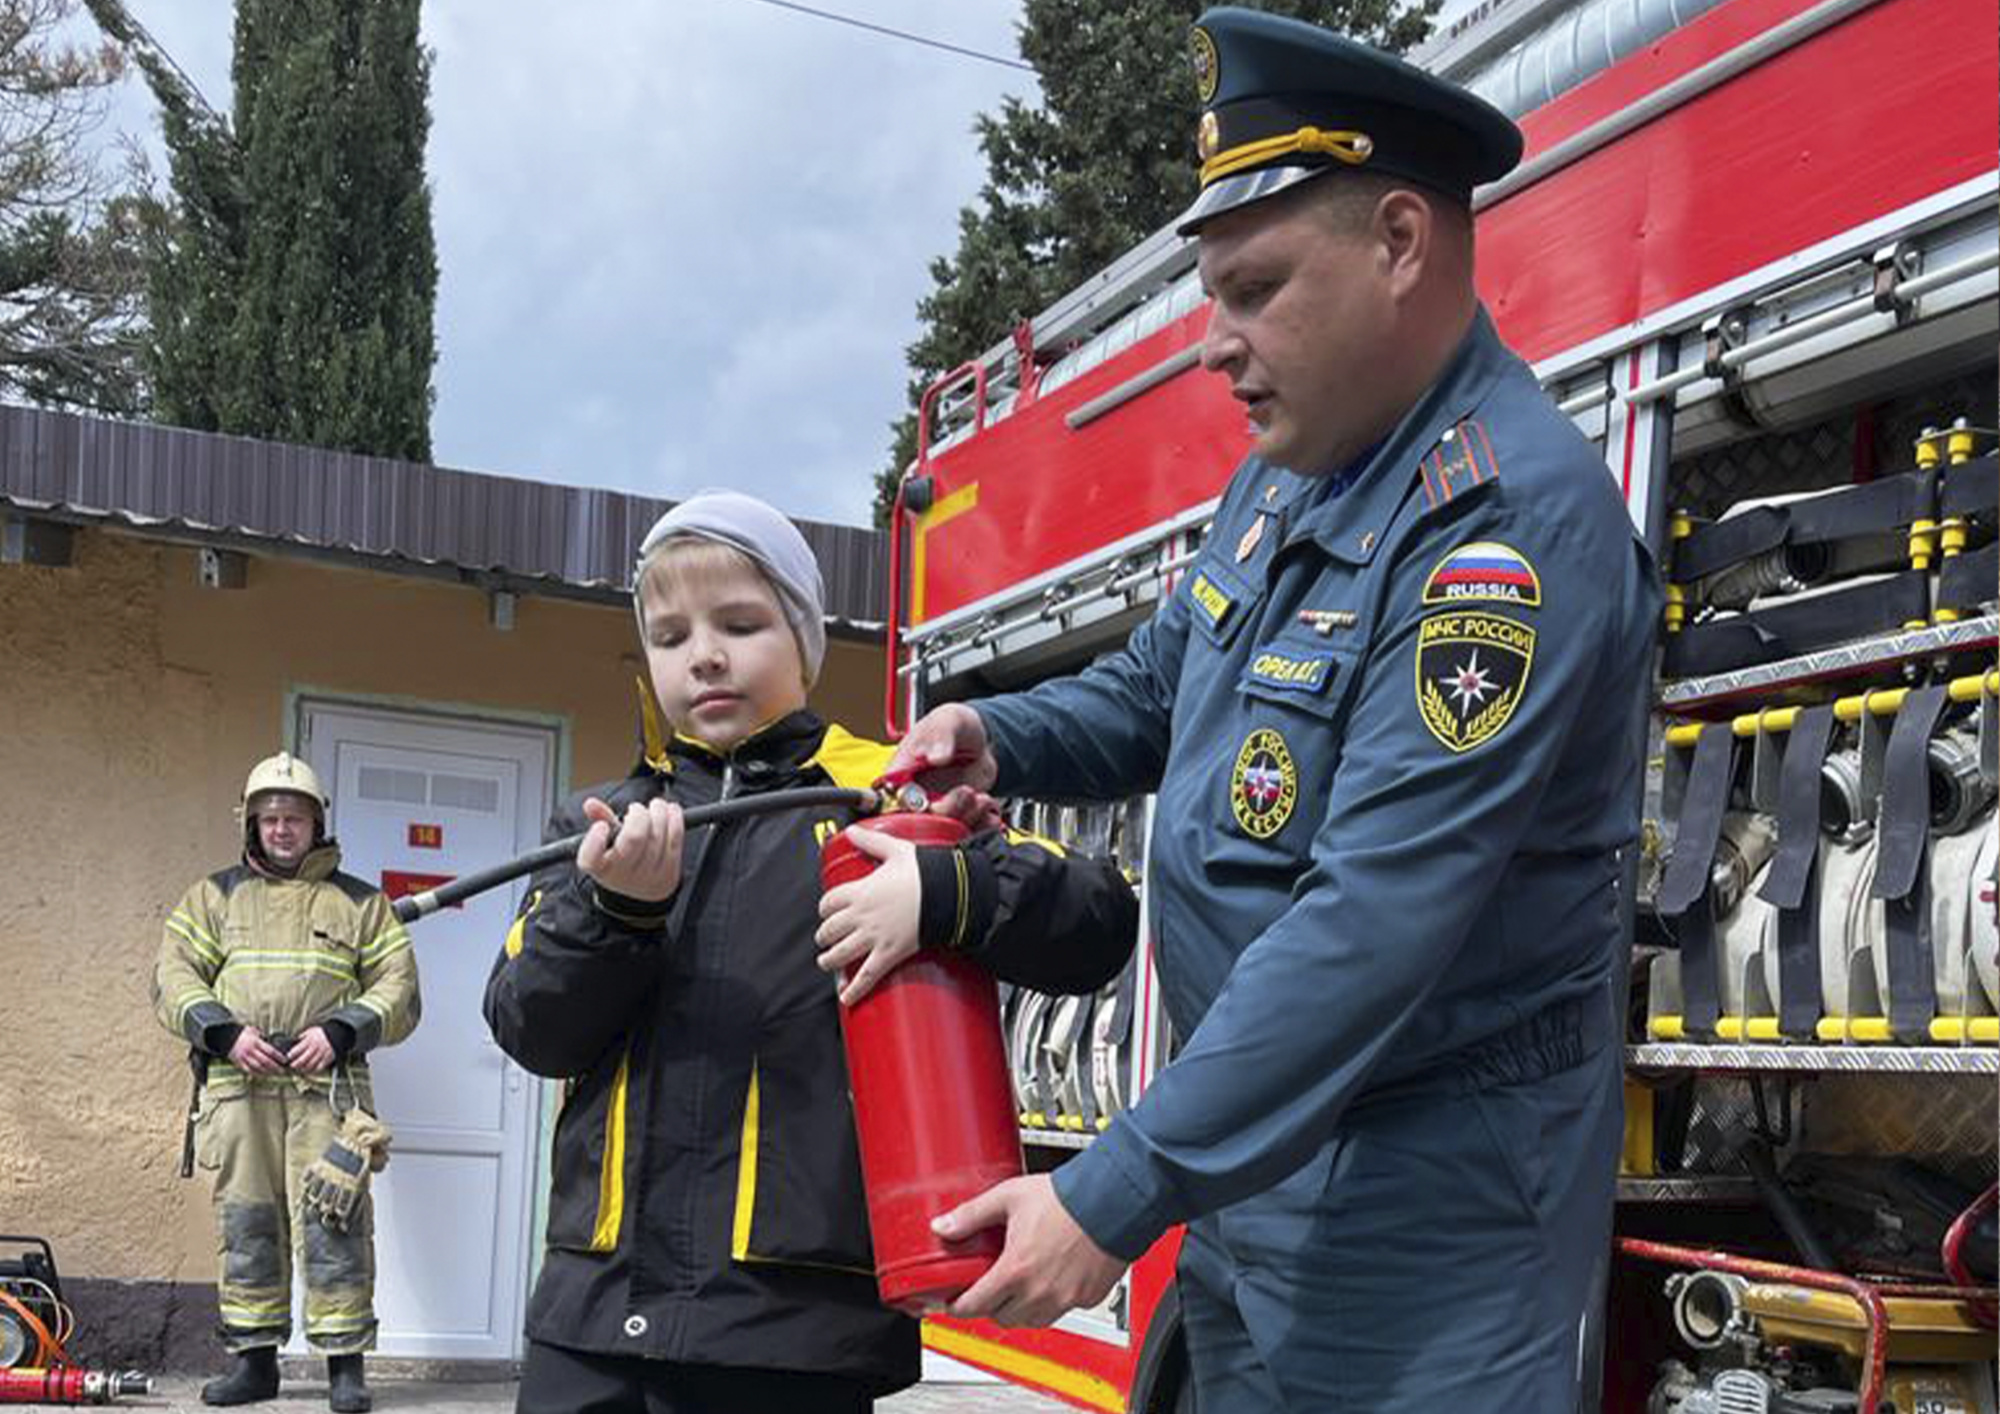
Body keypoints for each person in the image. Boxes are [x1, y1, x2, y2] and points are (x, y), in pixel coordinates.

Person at [884, 9, 1663, 1410]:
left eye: (1251, 290)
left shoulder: (1504, 531)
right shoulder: (1293, 476)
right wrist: (1001, 733)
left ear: (1403, 242)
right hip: (1261, 1176)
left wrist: (1109, 1189)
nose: (1213, 348)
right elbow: (1165, 683)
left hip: (1423, 1223)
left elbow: (1373, 922)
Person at [481, 490, 1135, 1414]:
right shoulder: (603, 828)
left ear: (804, 638)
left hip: (796, 1335)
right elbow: (528, 1026)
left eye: (740, 624)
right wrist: (615, 913)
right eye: (669, 637)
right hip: (593, 1325)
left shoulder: (883, 791)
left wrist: (949, 888)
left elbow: (1099, 919)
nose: (703, 654)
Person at [155, 752, 420, 1413]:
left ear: (316, 824)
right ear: (250, 825)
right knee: (248, 1224)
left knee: (337, 1222)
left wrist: (341, 1031)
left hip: (328, 1094)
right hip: (239, 1092)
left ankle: (345, 1371)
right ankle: (254, 1365)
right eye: (269, 818)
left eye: (294, 818)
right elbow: (172, 975)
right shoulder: (212, 897)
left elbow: (402, 988)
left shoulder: (360, 902)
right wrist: (224, 1033)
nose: (281, 829)